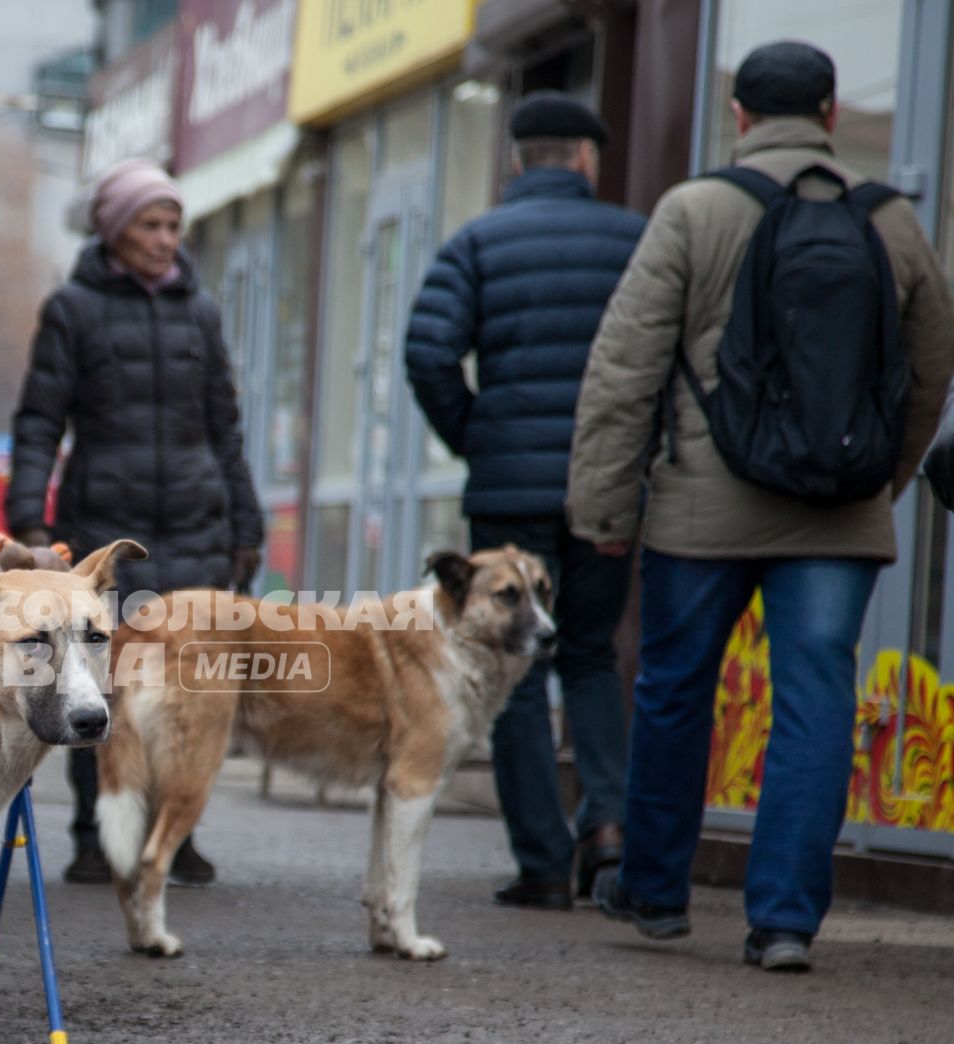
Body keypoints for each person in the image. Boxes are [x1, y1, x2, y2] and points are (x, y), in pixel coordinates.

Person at [570, 41, 954, 971]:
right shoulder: (892, 219)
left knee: (672, 693)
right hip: (838, 518)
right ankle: (784, 918)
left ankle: (656, 892)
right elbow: (930, 372)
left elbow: (625, 371)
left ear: (737, 115)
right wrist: (880, 482)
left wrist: (604, 510)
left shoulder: (694, 210)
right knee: (816, 703)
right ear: (829, 112)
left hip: (703, 511)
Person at [404, 93, 646, 911]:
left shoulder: (477, 241)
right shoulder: (633, 239)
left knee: (510, 664)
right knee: (590, 653)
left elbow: (428, 352)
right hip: (606, 487)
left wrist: (479, 435)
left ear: (518, 161)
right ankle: (607, 830)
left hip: (510, 491)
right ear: (586, 159)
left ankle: (543, 861)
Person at [7, 158, 264, 886]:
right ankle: (93, 831)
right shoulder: (72, 310)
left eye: (173, 226)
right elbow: (38, 424)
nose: (164, 239)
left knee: (194, 683)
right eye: (150, 225)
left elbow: (226, 428)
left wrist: (245, 525)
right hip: (104, 524)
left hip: (197, 521)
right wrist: (30, 522)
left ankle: (174, 830)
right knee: (104, 675)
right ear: (117, 231)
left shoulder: (201, 311)